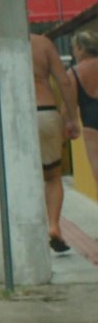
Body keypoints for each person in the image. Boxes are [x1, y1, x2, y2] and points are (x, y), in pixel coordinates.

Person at [0, 33, 81, 253]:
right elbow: (65, 81)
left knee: (17, 177)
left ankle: (24, 231)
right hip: (46, 113)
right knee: (52, 176)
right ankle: (53, 225)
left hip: (12, 116)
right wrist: (71, 117)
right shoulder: (43, 44)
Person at [68, 29, 98, 200]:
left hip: (91, 122)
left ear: (81, 48)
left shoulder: (74, 73)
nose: (74, 53)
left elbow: (69, 105)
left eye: (74, 48)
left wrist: (68, 125)